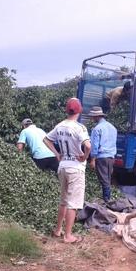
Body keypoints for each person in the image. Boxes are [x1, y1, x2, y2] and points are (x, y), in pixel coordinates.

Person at [43, 98, 91, 244]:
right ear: (79, 110)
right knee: (73, 203)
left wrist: (57, 154)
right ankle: (68, 235)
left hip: (62, 167)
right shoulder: (80, 128)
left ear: (67, 110)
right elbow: (88, 146)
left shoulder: (60, 126)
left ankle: (58, 230)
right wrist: (85, 157)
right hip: (75, 168)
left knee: (63, 200)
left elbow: (46, 139)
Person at [88, 106, 117, 202]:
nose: (92, 119)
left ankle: (106, 200)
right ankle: (108, 198)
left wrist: (92, 160)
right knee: (107, 178)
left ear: (97, 117)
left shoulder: (97, 129)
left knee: (104, 180)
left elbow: (95, 146)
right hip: (111, 157)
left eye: (93, 117)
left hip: (101, 158)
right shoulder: (113, 127)